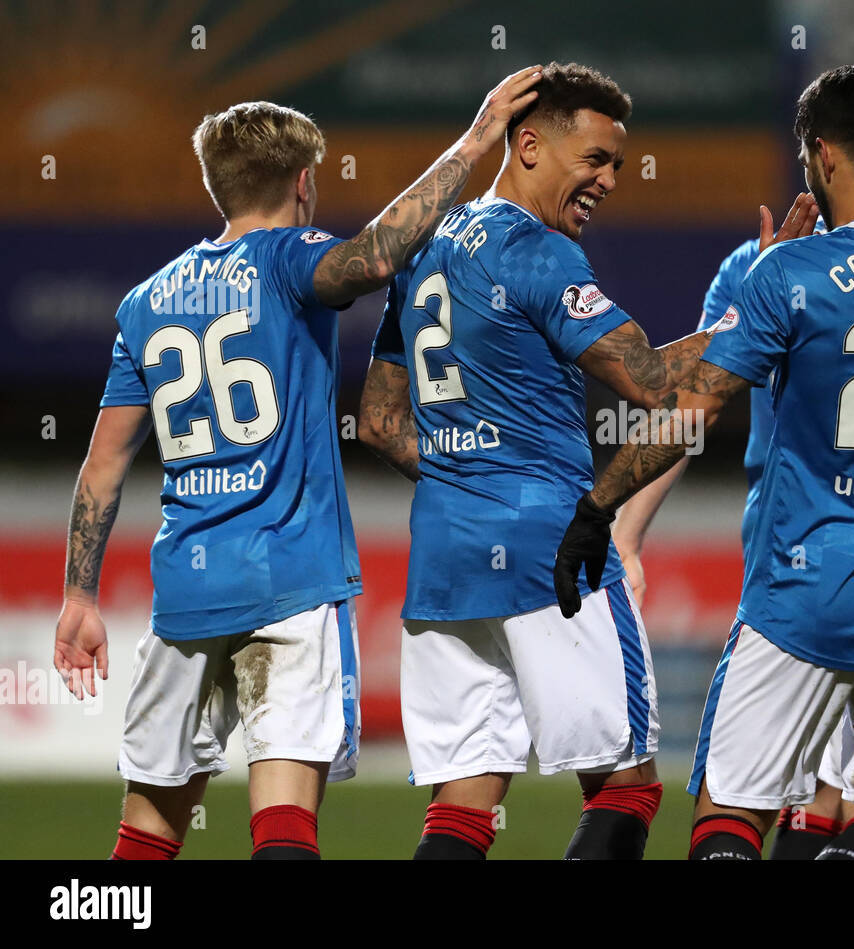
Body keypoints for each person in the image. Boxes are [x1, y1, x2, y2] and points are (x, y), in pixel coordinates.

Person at [53, 67, 543, 860]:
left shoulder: (146, 300)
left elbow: (102, 466)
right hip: (289, 579)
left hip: (185, 590)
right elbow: (378, 255)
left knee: (145, 834)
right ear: (306, 182)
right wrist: (478, 138)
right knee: (284, 828)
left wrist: (80, 594)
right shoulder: (290, 259)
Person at [555, 64, 854, 859]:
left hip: (798, 597)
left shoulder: (784, 273)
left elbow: (687, 409)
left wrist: (599, 510)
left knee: (730, 818)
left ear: (823, 156)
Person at [360, 62, 791, 859]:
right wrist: (755, 309)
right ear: (527, 145)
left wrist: (468, 476)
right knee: (627, 786)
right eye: (593, 158)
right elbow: (655, 382)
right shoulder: (538, 252)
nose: (609, 180)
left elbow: (380, 423)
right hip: (549, 548)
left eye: (618, 164)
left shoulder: (427, 244)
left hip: (445, 553)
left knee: (463, 803)